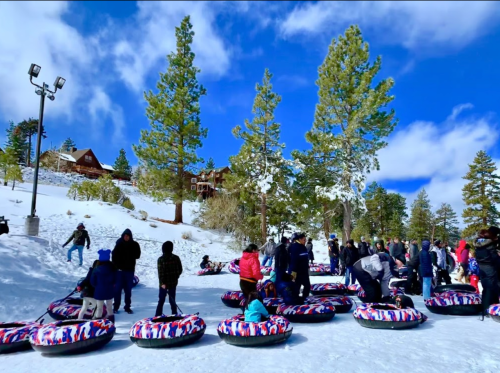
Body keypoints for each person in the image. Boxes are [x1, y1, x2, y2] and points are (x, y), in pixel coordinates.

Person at [112, 228, 141, 314]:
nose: (126, 237)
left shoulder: (135, 244)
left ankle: (127, 307)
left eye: (128, 236)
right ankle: (116, 307)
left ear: (130, 237)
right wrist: (116, 267)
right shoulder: (119, 244)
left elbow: (138, 255)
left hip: (129, 270)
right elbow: (113, 256)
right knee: (117, 290)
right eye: (125, 236)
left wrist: (131, 252)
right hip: (120, 271)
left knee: (128, 290)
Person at [474, 226, 500, 314]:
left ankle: (484, 307)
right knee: (491, 288)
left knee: (485, 288)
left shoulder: (479, 243)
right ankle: (491, 308)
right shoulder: (490, 244)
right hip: (490, 268)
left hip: (481, 267)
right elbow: (494, 258)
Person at [155, 241, 183, 316]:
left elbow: (160, 273)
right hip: (172, 283)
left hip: (165, 284)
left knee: (162, 300)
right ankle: (174, 314)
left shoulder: (161, 259)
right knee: (172, 300)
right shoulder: (176, 258)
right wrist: (176, 277)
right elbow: (180, 270)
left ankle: (158, 316)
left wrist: (162, 283)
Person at [91, 249, 116, 322]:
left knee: (99, 308)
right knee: (109, 308)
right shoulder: (112, 268)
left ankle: (97, 324)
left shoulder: (96, 269)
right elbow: (116, 279)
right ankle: (111, 323)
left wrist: (97, 286)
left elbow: (92, 281)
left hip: (99, 291)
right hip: (110, 290)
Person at [288, 233, 311, 299]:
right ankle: (295, 300)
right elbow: (294, 260)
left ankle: (305, 298)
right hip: (297, 272)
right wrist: (293, 271)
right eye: (304, 240)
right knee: (296, 287)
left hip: (304, 271)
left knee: (307, 286)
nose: (305, 241)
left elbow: (305, 258)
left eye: (305, 239)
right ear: (299, 239)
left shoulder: (303, 247)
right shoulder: (295, 247)